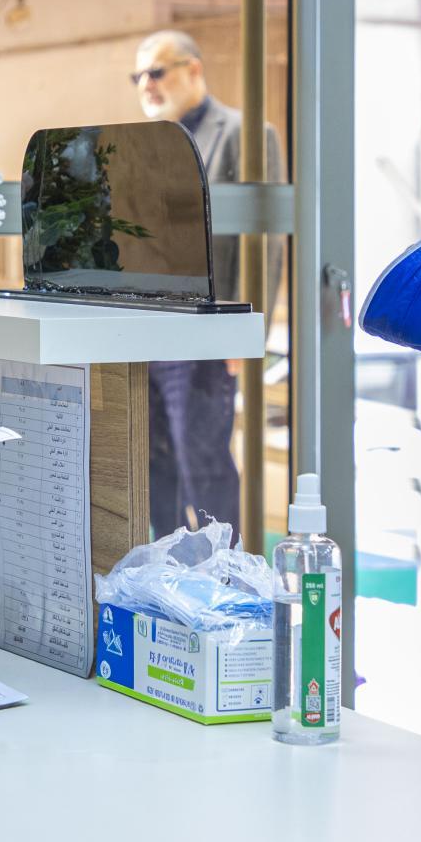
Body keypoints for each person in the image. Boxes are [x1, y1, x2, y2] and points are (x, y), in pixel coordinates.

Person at [132, 29, 282, 541]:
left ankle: (228, 570)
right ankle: (167, 567)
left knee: (204, 464)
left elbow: (264, 238)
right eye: (138, 76)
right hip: (149, 331)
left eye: (156, 72)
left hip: (206, 334)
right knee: (153, 465)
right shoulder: (149, 146)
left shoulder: (243, 133)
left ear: (193, 69)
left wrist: (244, 331)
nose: (146, 85)